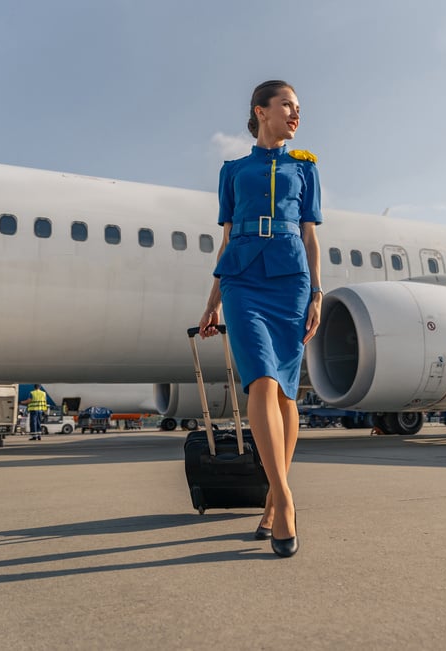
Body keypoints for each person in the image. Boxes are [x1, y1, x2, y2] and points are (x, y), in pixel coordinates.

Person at [198, 80, 323, 558]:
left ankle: (273, 496)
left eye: (299, 108)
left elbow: (311, 237)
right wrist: (212, 301)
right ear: (261, 110)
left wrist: (316, 292)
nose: (296, 114)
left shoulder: (305, 168)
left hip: (290, 278)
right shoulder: (233, 171)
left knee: (287, 392)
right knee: (262, 383)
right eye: (288, 105)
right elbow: (226, 239)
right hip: (242, 280)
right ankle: (286, 498)